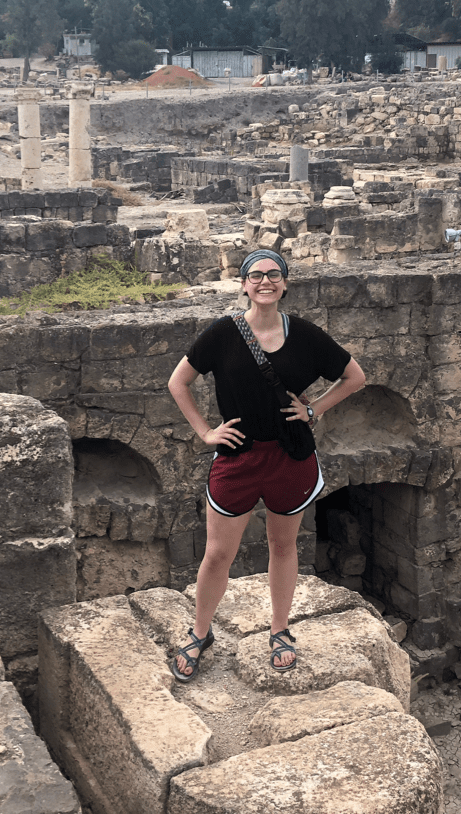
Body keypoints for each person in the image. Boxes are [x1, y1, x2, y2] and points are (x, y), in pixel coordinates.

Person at [167, 249, 365, 681]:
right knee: (218, 553)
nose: (265, 281)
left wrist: (315, 411)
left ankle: (280, 630)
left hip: (289, 455)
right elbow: (178, 382)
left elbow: (355, 376)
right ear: (243, 284)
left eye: (274, 275)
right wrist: (205, 432)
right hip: (238, 455)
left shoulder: (306, 336)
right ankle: (200, 632)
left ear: (285, 284)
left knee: (282, 546)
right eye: (255, 275)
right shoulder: (223, 333)